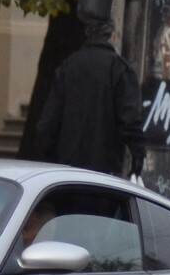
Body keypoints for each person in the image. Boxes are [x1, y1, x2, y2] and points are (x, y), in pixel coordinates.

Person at [31, 19, 146, 178]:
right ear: (112, 36)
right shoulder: (119, 68)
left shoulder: (67, 67)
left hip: (68, 171)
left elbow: (47, 124)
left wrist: (51, 159)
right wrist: (138, 155)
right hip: (104, 172)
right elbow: (130, 120)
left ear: (87, 35)